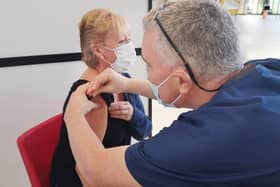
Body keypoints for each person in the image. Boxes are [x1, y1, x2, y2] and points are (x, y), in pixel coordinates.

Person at [64, 0, 280, 186]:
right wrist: (126, 85)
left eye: (149, 65)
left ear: (181, 81)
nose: (147, 73)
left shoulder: (198, 141)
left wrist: (73, 114)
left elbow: (93, 173)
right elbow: (183, 89)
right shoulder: (263, 70)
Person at [50, 9, 152, 187]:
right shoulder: (90, 96)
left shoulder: (123, 80)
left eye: (129, 39)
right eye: (122, 42)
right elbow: (87, 173)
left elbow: (144, 131)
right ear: (98, 50)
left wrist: (133, 115)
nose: (129, 47)